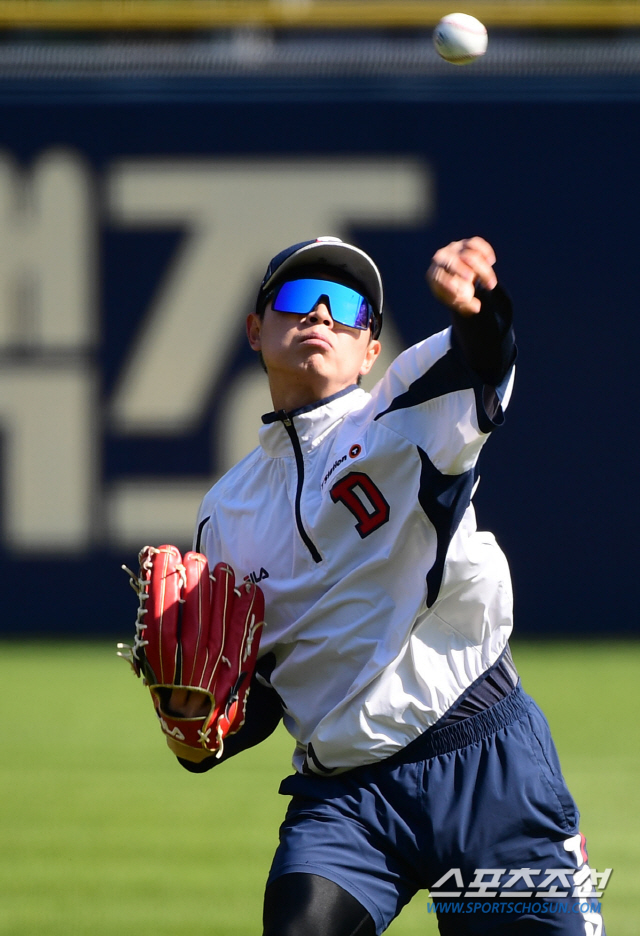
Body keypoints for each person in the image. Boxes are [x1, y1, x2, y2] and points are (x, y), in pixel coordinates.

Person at [164, 235, 605, 935]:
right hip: (348, 802)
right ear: (255, 330)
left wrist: (477, 306)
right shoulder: (225, 512)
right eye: (295, 298)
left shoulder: (403, 413)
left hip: (482, 766)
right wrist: (202, 735)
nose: (319, 316)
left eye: (344, 306)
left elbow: (483, 357)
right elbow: (271, 684)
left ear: (370, 349)